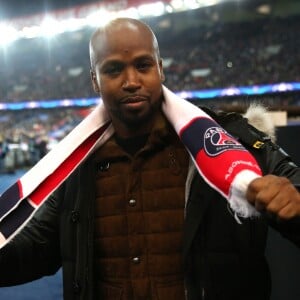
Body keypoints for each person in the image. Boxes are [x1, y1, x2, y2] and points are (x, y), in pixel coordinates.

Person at [0, 17, 299, 300]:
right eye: (113, 70)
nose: (131, 81)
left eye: (143, 65)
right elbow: (35, 251)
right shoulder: (75, 164)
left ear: (160, 68)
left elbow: (292, 191)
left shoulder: (229, 140)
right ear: (94, 80)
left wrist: (294, 201)